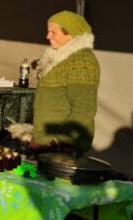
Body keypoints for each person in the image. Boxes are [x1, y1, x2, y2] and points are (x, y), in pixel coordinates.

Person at [31, 10, 100, 154]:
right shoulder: (60, 59)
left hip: (63, 147)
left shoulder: (82, 62)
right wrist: (38, 136)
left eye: (53, 32)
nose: (47, 36)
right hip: (47, 143)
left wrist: (55, 140)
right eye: (48, 31)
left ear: (70, 34)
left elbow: (84, 110)